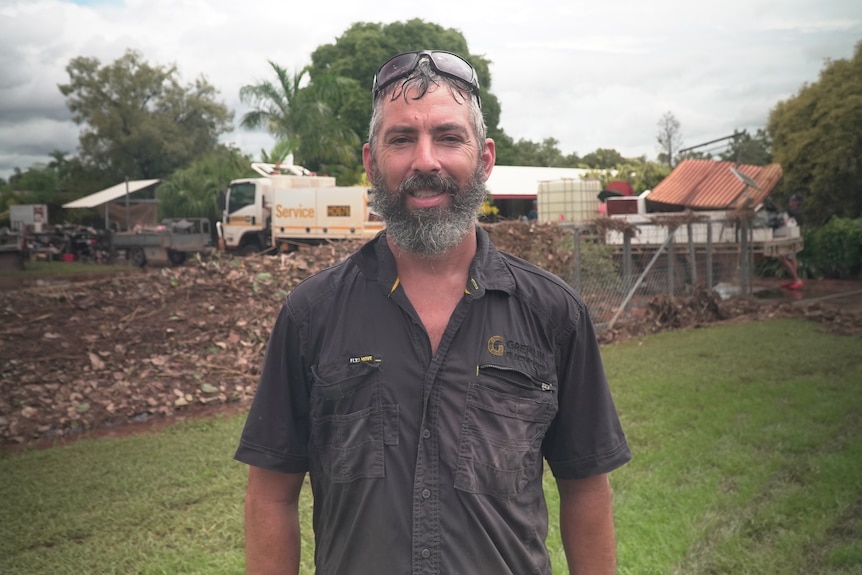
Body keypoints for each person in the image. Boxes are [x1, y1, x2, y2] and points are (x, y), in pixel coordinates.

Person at [235, 50, 631, 575]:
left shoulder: (554, 314)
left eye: (448, 137)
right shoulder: (311, 315)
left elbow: (585, 489)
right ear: (372, 162)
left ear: (484, 159)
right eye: (401, 139)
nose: (425, 161)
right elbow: (270, 495)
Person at [780, 193, 804, 289]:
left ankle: (796, 279)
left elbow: (791, 224)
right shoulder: (794, 212)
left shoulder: (795, 213)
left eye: (793, 200)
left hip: (790, 237)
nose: (791, 202)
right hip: (793, 237)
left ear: (797, 202)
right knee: (791, 258)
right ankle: (794, 279)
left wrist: (785, 221)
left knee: (783, 258)